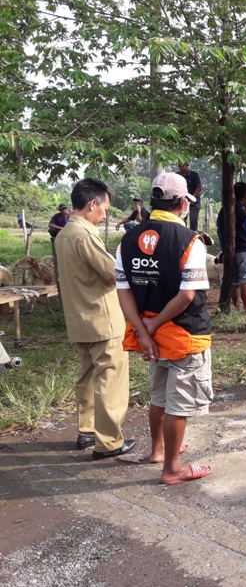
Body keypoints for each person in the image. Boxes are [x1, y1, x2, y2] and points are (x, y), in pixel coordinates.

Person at [116, 172, 213, 484]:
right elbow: (187, 295)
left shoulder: (128, 239)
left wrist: (144, 331)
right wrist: (156, 323)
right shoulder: (190, 241)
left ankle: (158, 450)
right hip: (184, 334)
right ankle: (172, 468)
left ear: (153, 201)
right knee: (179, 403)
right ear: (182, 203)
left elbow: (123, 291)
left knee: (159, 396)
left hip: (151, 336)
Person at [54, 178, 135, 459]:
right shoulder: (84, 235)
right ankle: (108, 442)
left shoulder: (64, 234)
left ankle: (87, 431)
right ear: (92, 204)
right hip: (103, 318)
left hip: (79, 317)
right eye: (104, 209)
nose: (104, 215)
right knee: (109, 378)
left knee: (88, 376)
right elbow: (113, 275)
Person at [215, 181, 246, 318]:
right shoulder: (243, 213)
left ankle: (236, 309)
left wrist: (224, 249)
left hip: (230, 251)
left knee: (234, 282)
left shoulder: (223, 211)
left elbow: (219, 231)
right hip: (244, 251)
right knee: (245, 282)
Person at [178, 162, 203, 231]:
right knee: (181, 219)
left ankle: (193, 233)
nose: (181, 168)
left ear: (187, 166)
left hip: (194, 200)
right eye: (179, 166)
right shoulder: (177, 175)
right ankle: (182, 233)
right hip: (182, 200)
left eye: (182, 166)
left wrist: (192, 198)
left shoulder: (194, 174)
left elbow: (199, 187)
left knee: (193, 219)